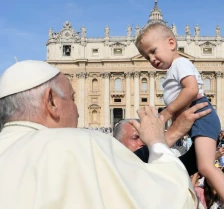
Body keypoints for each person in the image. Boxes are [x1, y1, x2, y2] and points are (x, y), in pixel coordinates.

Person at [0, 60, 206, 209]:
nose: (78, 110)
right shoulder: (82, 144)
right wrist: (159, 143)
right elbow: (175, 199)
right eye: (72, 98)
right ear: (52, 101)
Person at [135, 22, 224, 208]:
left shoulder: (180, 63)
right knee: (196, 165)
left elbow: (191, 90)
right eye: (147, 56)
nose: (151, 59)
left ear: (171, 43)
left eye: (153, 51)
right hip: (198, 117)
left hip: (202, 114)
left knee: (205, 166)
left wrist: (166, 113)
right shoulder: (174, 70)